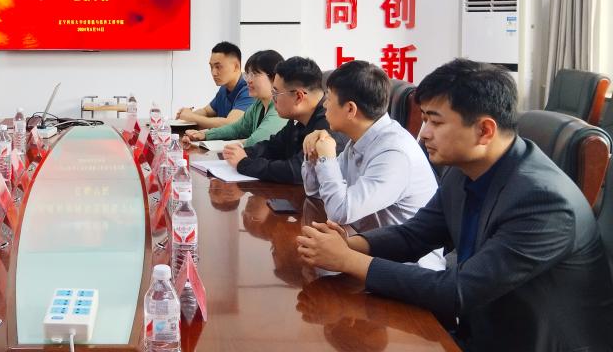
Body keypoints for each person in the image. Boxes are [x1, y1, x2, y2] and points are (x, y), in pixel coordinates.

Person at [296, 59, 613, 351]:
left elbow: (458, 290)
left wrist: (348, 260)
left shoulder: (544, 202)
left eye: (435, 122)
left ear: (484, 130)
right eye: (424, 119)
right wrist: (349, 244)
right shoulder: (466, 170)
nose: (424, 134)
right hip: (479, 331)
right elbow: (415, 235)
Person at [300, 60, 443, 270]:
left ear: (350, 109)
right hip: (369, 251)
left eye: (328, 98)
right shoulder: (361, 139)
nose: (324, 105)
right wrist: (314, 156)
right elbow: (314, 192)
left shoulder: (394, 152)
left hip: (410, 269)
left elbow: (340, 211)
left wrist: (326, 159)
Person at [223, 56, 347, 184]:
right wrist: (243, 152)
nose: (273, 99)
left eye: (276, 93)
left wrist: (244, 163)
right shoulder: (298, 118)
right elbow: (274, 146)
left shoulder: (330, 124)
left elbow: (296, 171)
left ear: (298, 97)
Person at [182, 49, 288, 147]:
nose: (248, 80)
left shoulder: (280, 107)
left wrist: (224, 145)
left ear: (275, 77)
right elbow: (237, 128)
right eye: (247, 75)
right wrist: (206, 135)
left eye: (254, 75)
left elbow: (257, 141)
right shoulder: (258, 104)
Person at [175, 41, 253, 129]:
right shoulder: (224, 88)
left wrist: (192, 117)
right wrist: (186, 116)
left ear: (236, 67)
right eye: (211, 67)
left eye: (218, 67)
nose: (213, 73)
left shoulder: (250, 89)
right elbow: (206, 111)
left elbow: (230, 124)